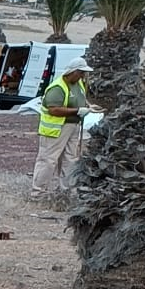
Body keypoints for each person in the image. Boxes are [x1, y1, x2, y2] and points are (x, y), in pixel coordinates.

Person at [30, 59, 94, 204]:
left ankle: (67, 192)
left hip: (73, 127)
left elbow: (80, 100)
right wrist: (77, 110)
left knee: (70, 160)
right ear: (73, 72)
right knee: (48, 160)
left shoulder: (78, 85)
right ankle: (38, 194)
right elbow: (54, 109)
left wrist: (86, 107)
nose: (83, 75)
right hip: (56, 129)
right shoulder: (57, 88)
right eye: (81, 72)